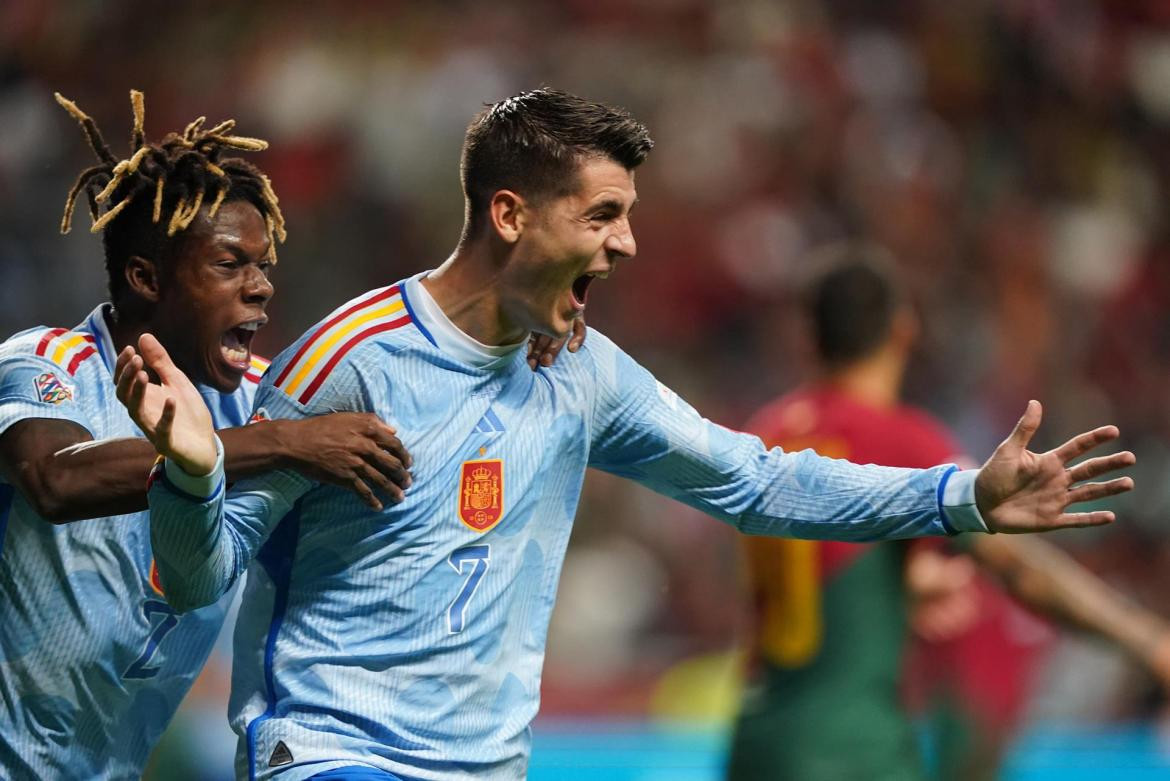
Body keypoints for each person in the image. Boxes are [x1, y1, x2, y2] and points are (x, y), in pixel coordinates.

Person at [117, 89, 1133, 781]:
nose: (629, 241)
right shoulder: (355, 358)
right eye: (603, 214)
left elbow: (754, 479)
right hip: (337, 750)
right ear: (510, 214)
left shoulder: (584, 374)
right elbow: (202, 576)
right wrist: (190, 474)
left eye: (629, 214)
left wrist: (960, 497)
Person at [0, 90, 419, 780]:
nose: (260, 289)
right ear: (147, 278)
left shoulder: (262, 399)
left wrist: (527, 330)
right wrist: (282, 445)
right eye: (230, 265)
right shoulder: (47, 363)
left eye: (263, 266)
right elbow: (56, 478)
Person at [725, 246, 1170, 781]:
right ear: (903, 329)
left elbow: (810, 570)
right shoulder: (897, 437)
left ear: (808, 337)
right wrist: (1147, 640)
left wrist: (897, 586)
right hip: (850, 746)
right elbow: (1017, 567)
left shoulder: (769, 429)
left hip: (758, 735)